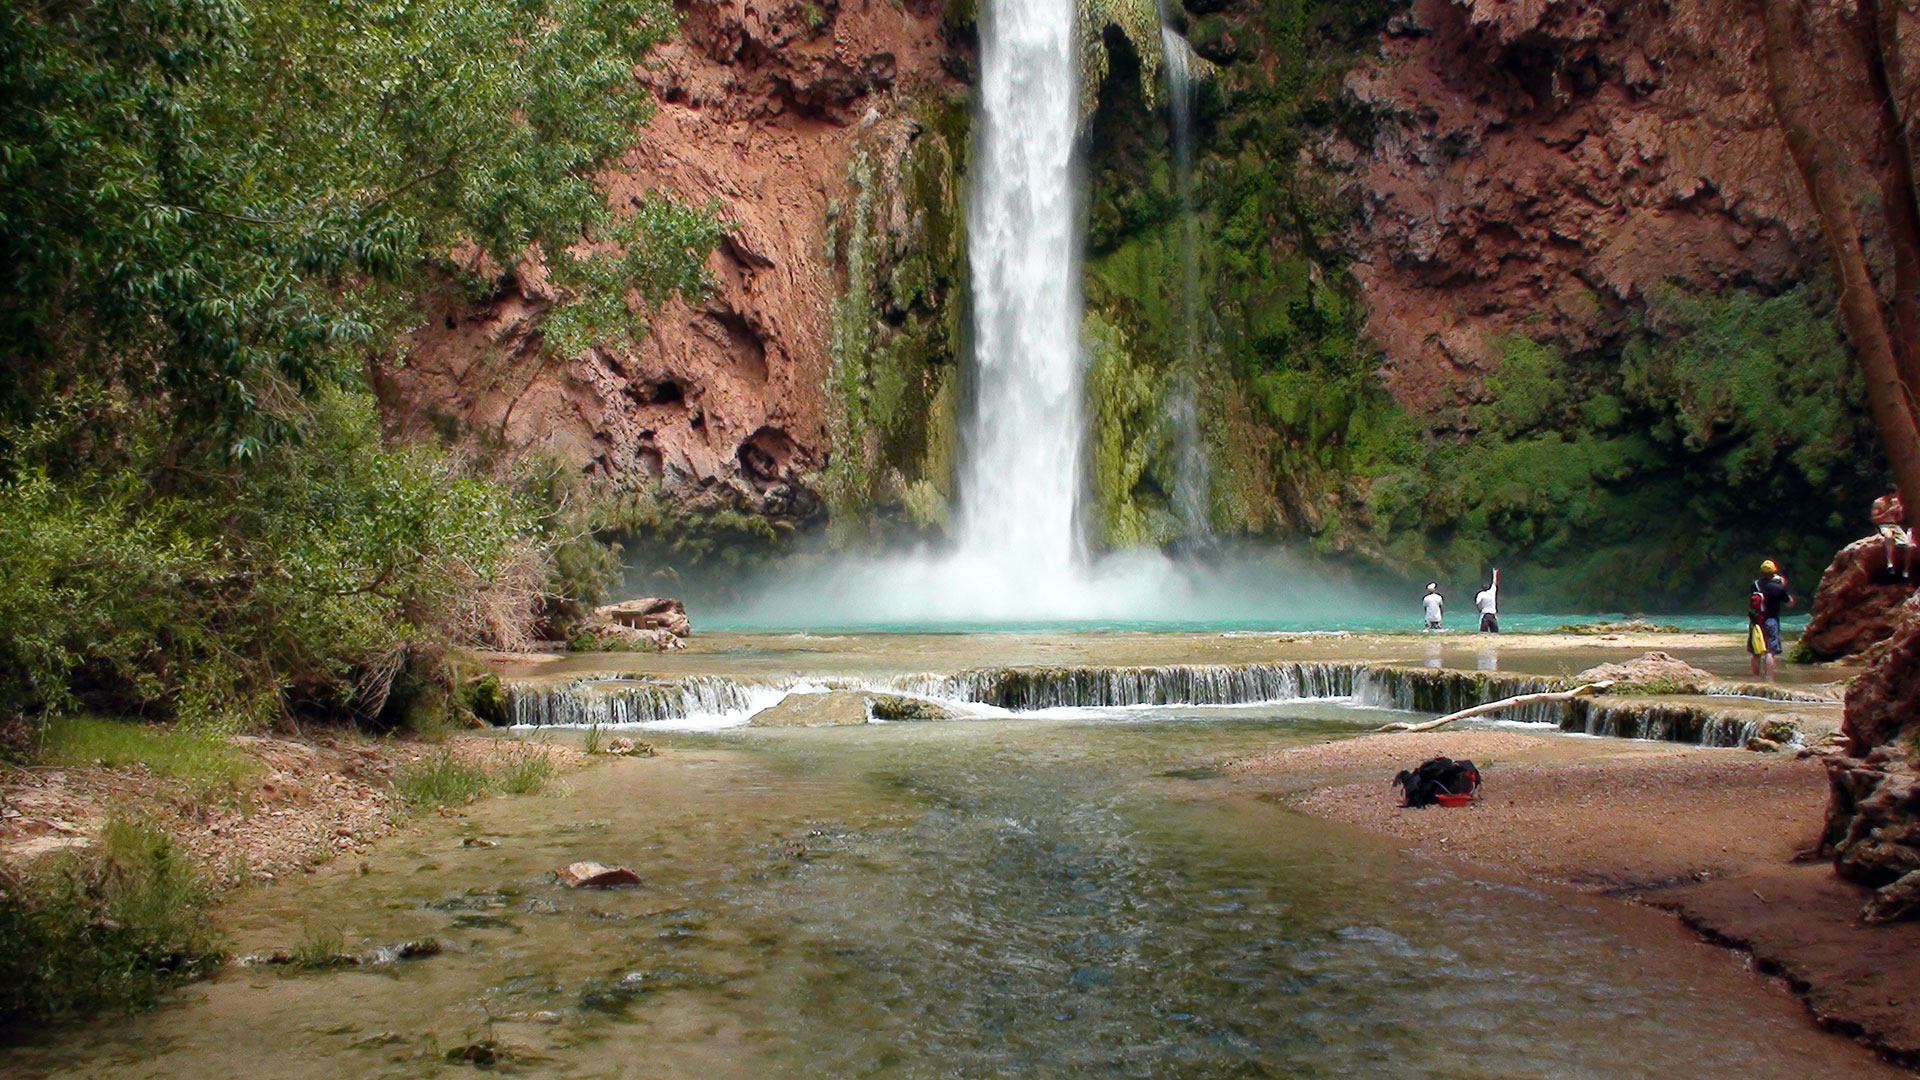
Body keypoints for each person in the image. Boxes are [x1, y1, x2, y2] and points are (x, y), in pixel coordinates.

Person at [1747, 559, 1795, 681]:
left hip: (1756, 620)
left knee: (1756, 652)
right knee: (1770, 651)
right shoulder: (1778, 588)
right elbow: (1790, 603)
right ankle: (1769, 678)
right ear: (1774, 572)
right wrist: (1782, 585)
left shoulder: (1755, 585)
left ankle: (1756, 678)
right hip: (1771, 620)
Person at [1871, 485, 1911, 580]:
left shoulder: (1895, 502)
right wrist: (1888, 512)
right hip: (1883, 525)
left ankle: (1905, 571)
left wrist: (1899, 512)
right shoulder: (1878, 503)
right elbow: (1875, 520)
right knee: (1888, 536)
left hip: (1894, 525)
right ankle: (1890, 564)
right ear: (1889, 494)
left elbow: (1899, 519)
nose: (1896, 497)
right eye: (1894, 494)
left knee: (1908, 546)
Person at [1474, 569, 1499, 633]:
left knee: (1483, 633)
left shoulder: (1481, 594)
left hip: (1485, 615)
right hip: (1493, 615)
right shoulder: (1492, 591)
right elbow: (1494, 582)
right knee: (1495, 633)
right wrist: (1495, 573)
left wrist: (1479, 609)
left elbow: (1477, 603)